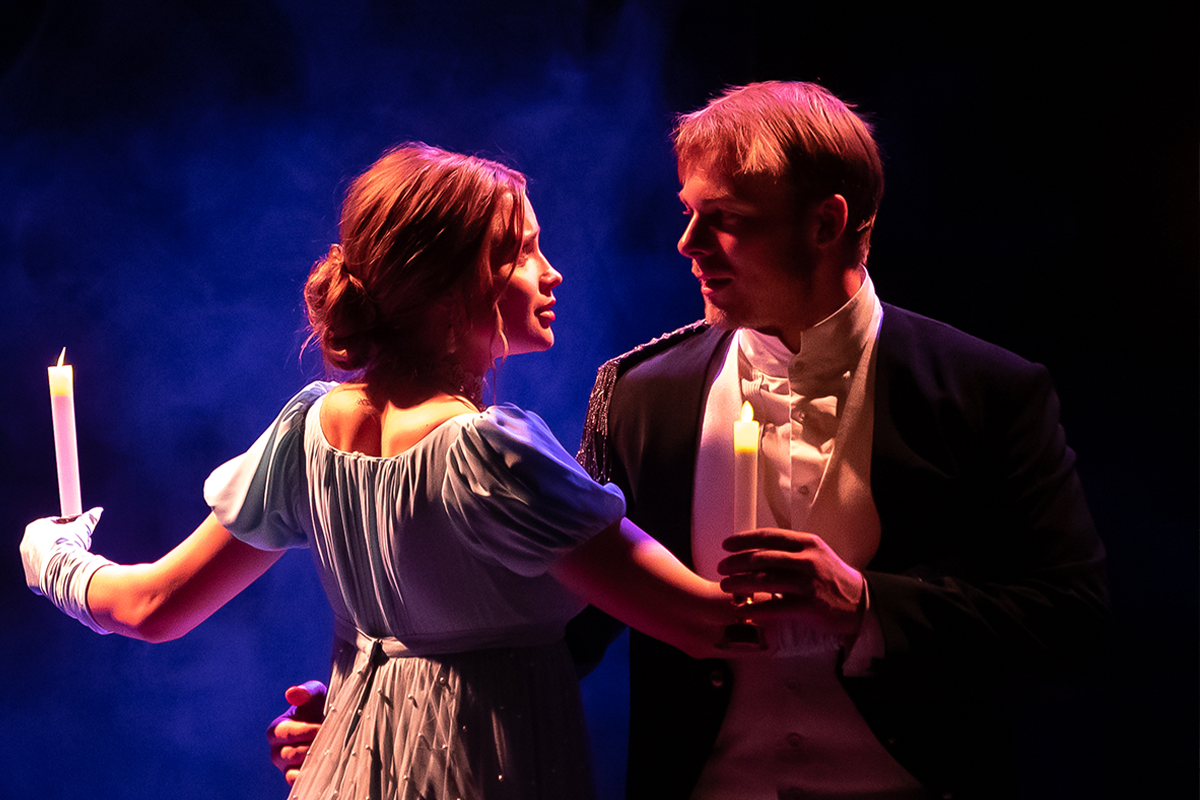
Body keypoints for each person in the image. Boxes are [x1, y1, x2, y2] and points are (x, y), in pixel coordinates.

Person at [268, 83, 1111, 799]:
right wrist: (368, 708)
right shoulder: (641, 395)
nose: (689, 245)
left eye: (725, 219)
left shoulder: (985, 390)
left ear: (827, 222)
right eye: (688, 214)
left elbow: (1073, 624)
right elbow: (561, 620)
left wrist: (867, 606)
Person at [20, 144, 760, 800]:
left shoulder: (307, 430)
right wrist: (819, 581)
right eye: (522, 253)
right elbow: (706, 623)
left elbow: (151, 605)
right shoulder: (491, 454)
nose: (551, 273)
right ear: (450, 289)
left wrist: (52, 556)